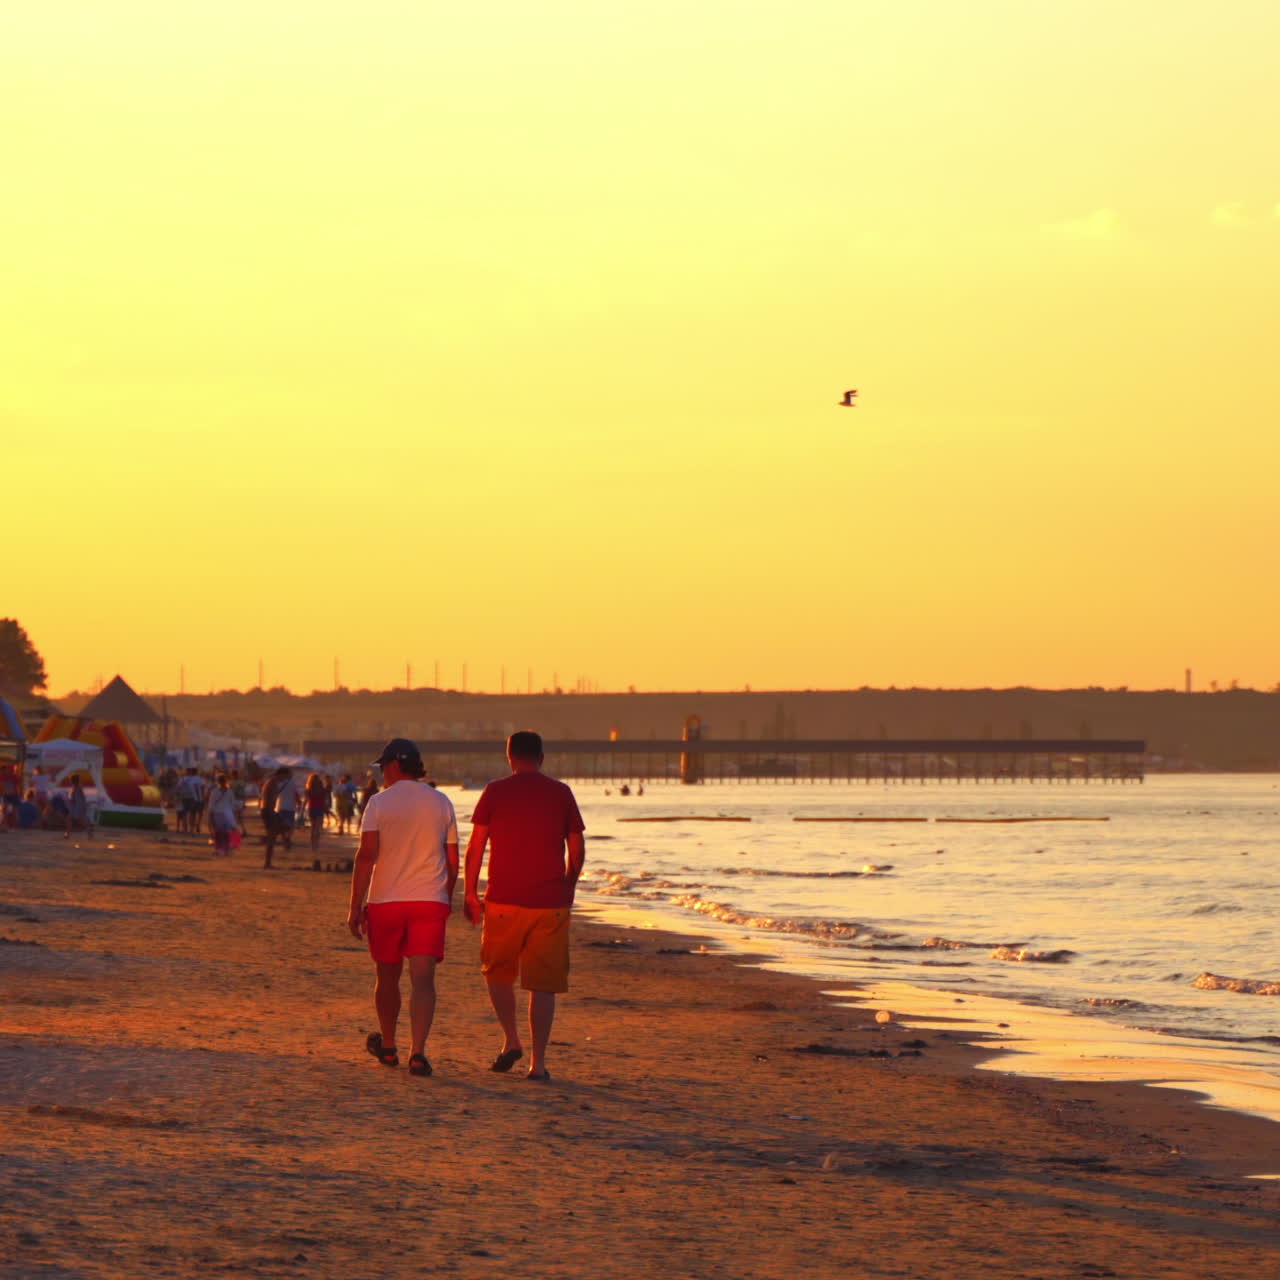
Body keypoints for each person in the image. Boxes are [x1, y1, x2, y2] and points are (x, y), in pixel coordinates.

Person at [464, 730, 586, 1082]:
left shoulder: (495, 791)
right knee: (542, 986)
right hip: (550, 903)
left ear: (510, 757)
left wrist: (471, 892)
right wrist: (569, 884)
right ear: (542, 757)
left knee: (497, 974)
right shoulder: (561, 793)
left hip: (503, 899)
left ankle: (511, 1039)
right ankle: (538, 1064)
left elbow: (476, 846)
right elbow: (577, 849)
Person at [347, 738, 458, 1078]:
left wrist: (355, 906)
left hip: (386, 902)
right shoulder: (441, 802)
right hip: (429, 901)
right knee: (423, 980)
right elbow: (452, 858)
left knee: (387, 976)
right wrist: (446, 895)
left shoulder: (379, 803)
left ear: (394, 765)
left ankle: (391, 1045)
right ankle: (418, 1052)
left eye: (383, 767)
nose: (381, 774)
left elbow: (366, 856)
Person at [260, 766, 298, 868]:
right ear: (282, 774)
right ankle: (267, 862)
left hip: (269, 811)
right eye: (287, 775)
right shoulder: (272, 783)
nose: (287, 778)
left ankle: (268, 861)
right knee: (275, 835)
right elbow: (268, 799)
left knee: (284, 828)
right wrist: (271, 813)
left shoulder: (273, 782)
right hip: (268, 811)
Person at [205, 773, 239, 856]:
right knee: (227, 833)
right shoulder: (230, 791)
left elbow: (211, 804)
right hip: (228, 813)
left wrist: (209, 814)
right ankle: (226, 849)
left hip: (218, 813)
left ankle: (218, 849)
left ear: (217, 781)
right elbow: (233, 803)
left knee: (218, 832)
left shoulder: (214, 791)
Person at [304, 772, 328, 853]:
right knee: (317, 828)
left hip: (311, 808)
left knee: (313, 828)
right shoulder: (323, 789)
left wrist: (302, 809)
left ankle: (312, 845)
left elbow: (306, 800)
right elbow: (325, 801)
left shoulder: (308, 789)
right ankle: (316, 845)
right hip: (320, 809)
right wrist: (326, 808)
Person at [66, 775, 93, 839]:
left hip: (78, 807)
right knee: (70, 819)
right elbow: (80, 798)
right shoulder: (76, 787)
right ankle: (68, 834)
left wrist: (82, 807)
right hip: (77, 807)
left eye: (71, 780)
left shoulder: (78, 788)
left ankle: (89, 833)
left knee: (80, 821)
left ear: (73, 781)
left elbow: (81, 798)